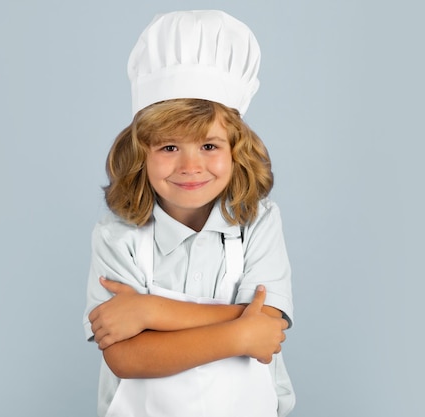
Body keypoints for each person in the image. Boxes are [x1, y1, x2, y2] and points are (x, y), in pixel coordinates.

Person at [83, 10, 295, 417]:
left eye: (209, 147)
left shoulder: (260, 224)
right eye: (168, 147)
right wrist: (239, 331)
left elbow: (267, 328)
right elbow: (126, 358)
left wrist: (148, 311)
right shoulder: (117, 235)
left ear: (237, 152)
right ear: (139, 154)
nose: (190, 166)